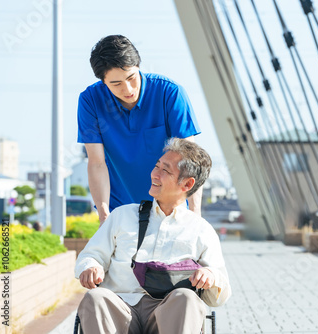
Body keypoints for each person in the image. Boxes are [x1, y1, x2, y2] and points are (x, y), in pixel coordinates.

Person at [75, 138, 231, 333]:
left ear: (187, 184)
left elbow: (221, 292)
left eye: (165, 170)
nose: (154, 174)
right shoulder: (122, 215)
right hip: (119, 308)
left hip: (168, 314)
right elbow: (91, 255)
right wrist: (91, 267)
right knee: (95, 298)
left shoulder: (201, 229)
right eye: (157, 166)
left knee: (186, 297)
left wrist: (210, 275)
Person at [77, 35, 202, 225]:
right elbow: (96, 163)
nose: (128, 89)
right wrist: (104, 216)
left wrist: (194, 215)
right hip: (119, 212)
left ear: (138, 67)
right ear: (103, 81)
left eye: (131, 78)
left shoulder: (170, 93)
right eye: (116, 84)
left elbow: (189, 161)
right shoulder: (90, 101)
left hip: (171, 211)